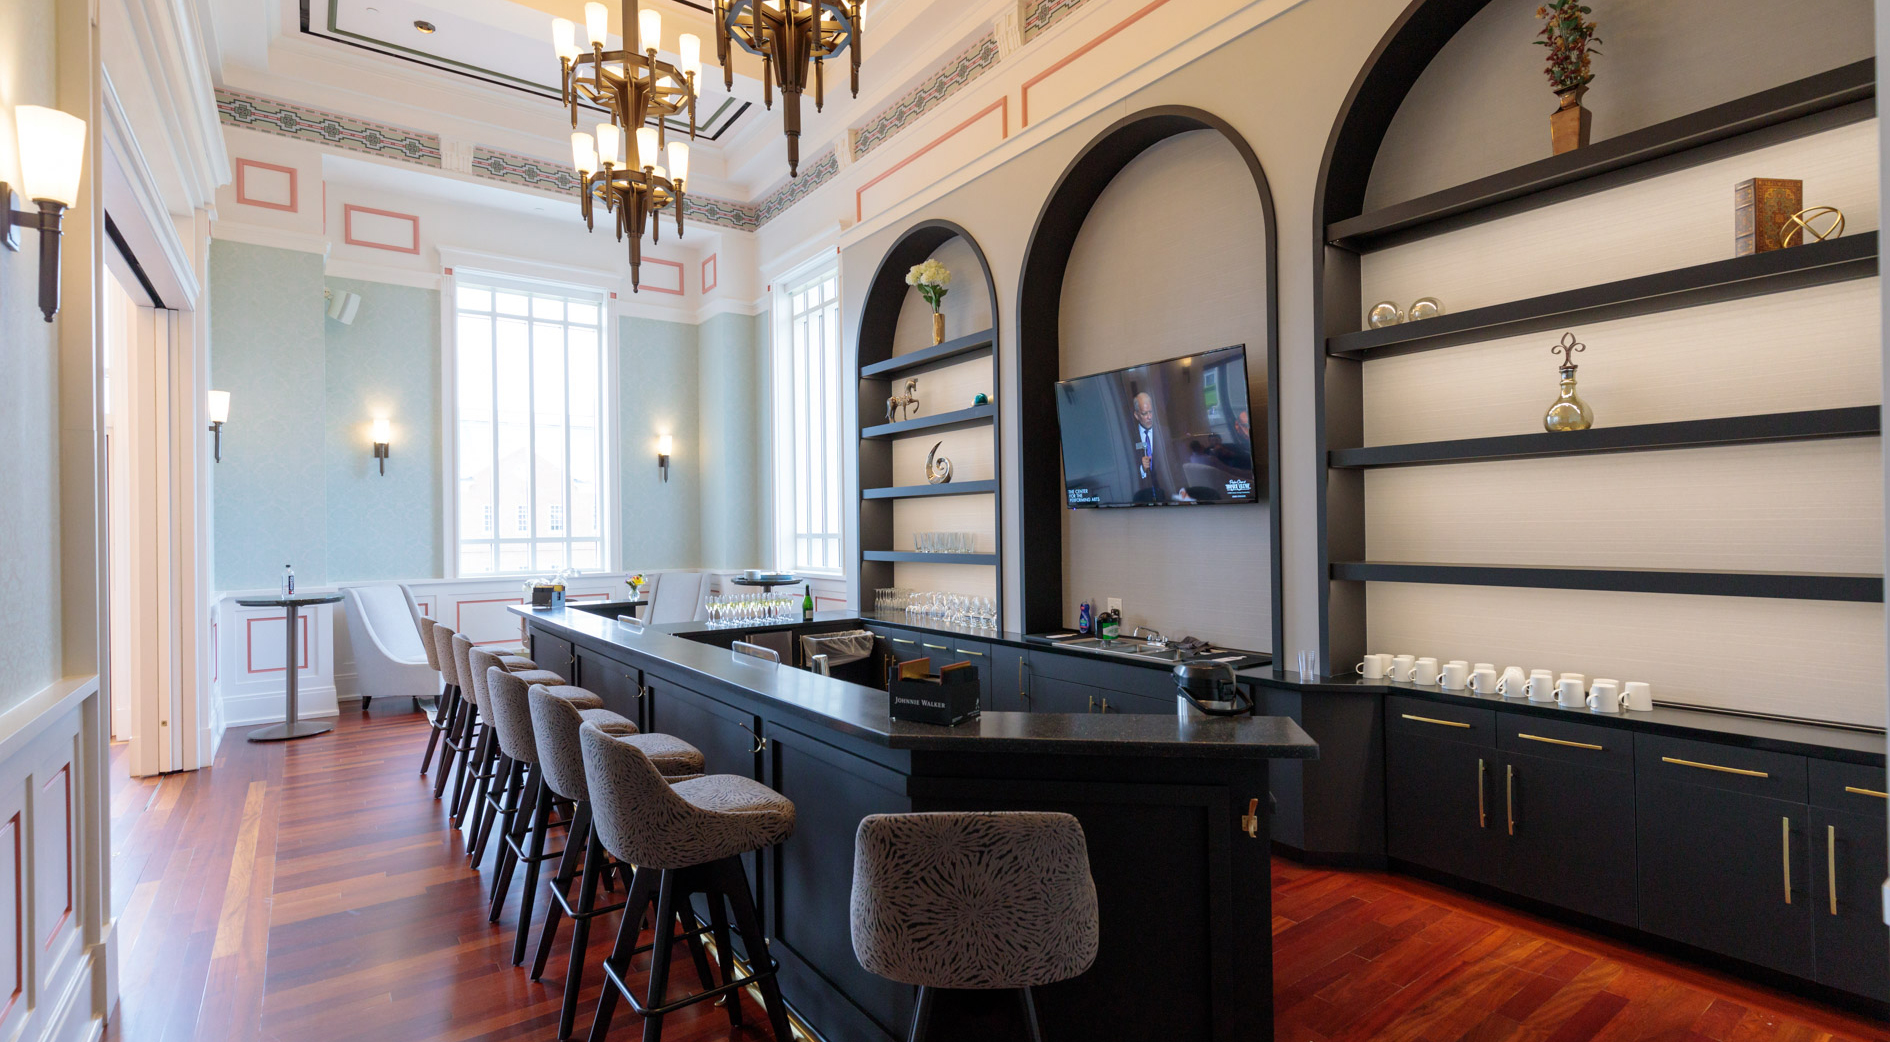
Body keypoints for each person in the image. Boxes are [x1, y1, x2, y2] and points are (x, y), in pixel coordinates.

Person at [1129, 392, 1191, 503]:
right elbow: (1127, 473)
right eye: (1144, 413)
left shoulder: (1165, 432)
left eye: (1151, 412)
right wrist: (1142, 469)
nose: (1149, 417)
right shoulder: (1130, 437)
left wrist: (1182, 490)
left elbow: (1175, 464)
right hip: (1142, 500)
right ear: (1136, 415)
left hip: (1166, 496)